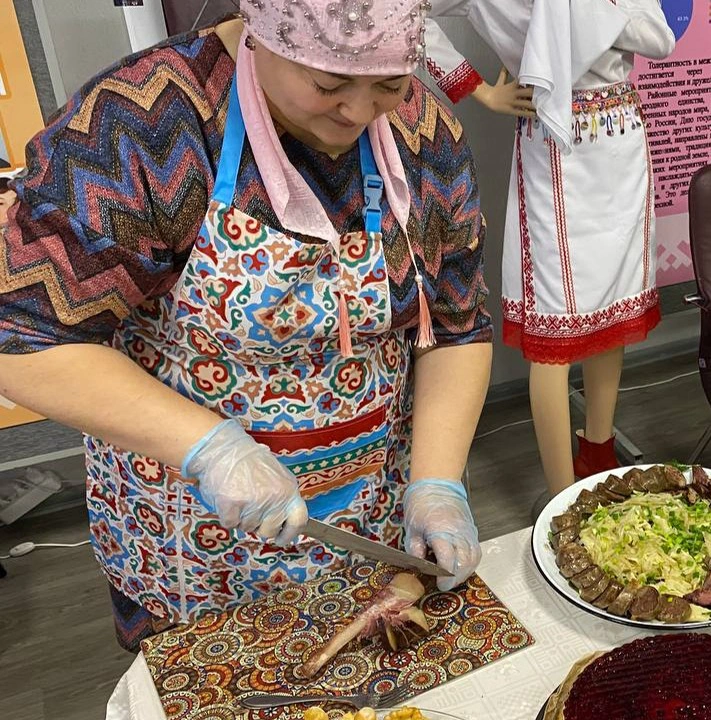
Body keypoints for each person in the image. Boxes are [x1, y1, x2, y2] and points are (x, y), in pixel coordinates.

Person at [0, 4, 492, 651]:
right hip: (191, 543)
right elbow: (21, 336)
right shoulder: (144, 124)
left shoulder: (426, 136)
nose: (358, 112)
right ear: (261, 29)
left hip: (369, 526)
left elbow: (457, 324)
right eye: (328, 84)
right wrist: (212, 449)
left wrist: (436, 482)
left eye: (389, 84)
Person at [419, 0, 676, 496]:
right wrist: (475, 89)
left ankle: (598, 449)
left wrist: (604, 16)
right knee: (553, 326)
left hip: (620, 139)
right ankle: (563, 495)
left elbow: (661, 40)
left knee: (613, 305)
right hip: (553, 147)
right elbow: (409, 11)